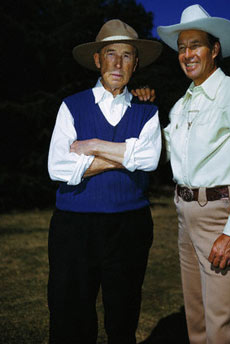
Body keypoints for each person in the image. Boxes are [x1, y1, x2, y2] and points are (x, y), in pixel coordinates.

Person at [156, 4, 230, 344]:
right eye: (181, 48)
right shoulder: (181, 106)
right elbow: (158, 152)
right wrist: (140, 108)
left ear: (215, 49)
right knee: (197, 323)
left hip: (220, 215)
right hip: (185, 215)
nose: (187, 54)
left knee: (221, 327)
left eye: (195, 46)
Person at [47, 19, 162, 344]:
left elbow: (149, 160)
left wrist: (93, 146)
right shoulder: (72, 106)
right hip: (75, 226)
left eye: (127, 55)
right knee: (70, 316)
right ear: (97, 59)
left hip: (130, 225)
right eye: (110, 53)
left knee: (123, 318)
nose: (118, 62)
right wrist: (126, 156)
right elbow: (58, 166)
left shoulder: (147, 111)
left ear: (135, 64)